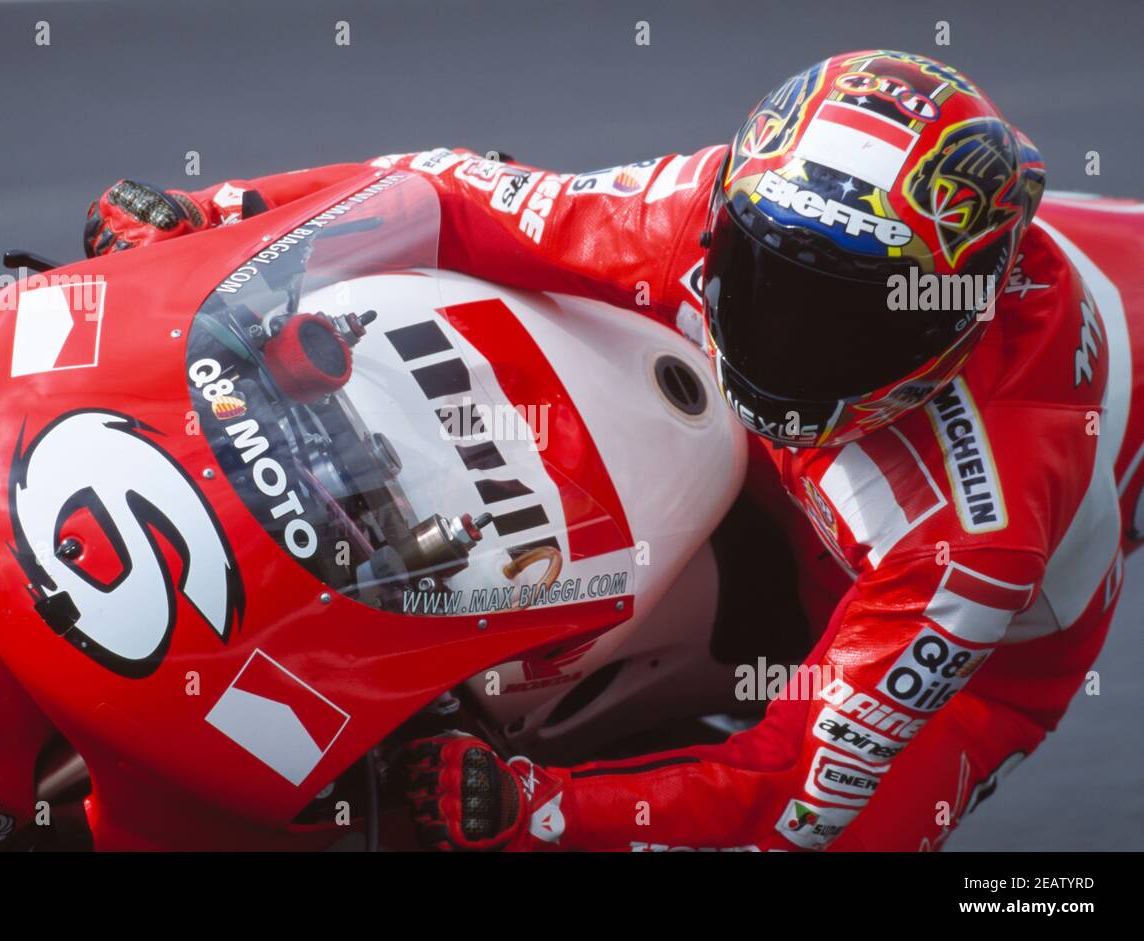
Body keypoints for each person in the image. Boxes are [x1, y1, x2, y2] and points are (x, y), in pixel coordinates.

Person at [82, 50, 1144, 850]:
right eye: (763, 275)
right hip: (750, 452)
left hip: (962, 651)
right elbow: (456, 196)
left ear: (949, 322)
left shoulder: (974, 524)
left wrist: (545, 812)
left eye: (842, 320)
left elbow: (788, 787)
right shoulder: (712, 203)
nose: (781, 339)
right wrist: (222, 219)